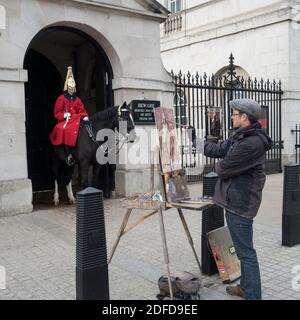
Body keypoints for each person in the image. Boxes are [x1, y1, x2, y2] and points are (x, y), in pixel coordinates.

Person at [204, 99, 273, 300]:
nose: (231, 116)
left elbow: (222, 168)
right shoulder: (241, 137)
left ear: (244, 117)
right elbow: (217, 150)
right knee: (244, 251)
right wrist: (198, 139)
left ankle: (252, 295)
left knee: (246, 253)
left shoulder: (251, 143)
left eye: (234, 114)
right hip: (234, 200)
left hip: (241, 204)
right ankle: (246, 287)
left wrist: (220, 164)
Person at [50, 66, 89, 166]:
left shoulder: (77, 99)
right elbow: (56, 113)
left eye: (73, 88)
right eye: (70, 88)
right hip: (66, 120)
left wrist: (84, 115)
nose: (71, 90)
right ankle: (68, 154)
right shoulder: (61, 98)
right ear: (67, 87)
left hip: (76, 119)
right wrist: (64, 114)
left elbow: (82, 109)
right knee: (62, 130)